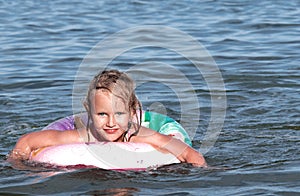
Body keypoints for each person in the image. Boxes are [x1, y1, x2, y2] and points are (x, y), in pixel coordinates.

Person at [10, 70, 207, 167]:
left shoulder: (137, 136)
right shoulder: (84, 136)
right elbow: (29, 141)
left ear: (132, 113)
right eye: (102, 114)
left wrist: (201, 172)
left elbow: (186, 152)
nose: (111, 123)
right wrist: (17, 164)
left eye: (119, 114)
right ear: (89, 112)